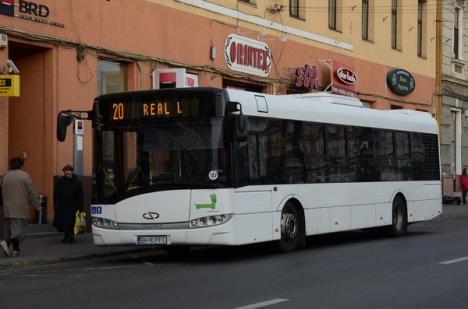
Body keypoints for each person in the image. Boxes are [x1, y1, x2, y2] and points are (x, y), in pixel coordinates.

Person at [0, 157, 40, 257]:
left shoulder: (5, 175)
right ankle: (6, 241)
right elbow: (31, 191)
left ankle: (16, 250)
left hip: (7, 208)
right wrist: (37, 204)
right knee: (19, 231)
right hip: (19, 208)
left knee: (11, 229)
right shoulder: (24, 176)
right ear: (21, 165)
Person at [53, 164, 83, 243]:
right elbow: (56, 193)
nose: (66, 172)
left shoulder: (77, 182)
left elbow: (80, 196)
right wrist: (56, 204)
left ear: (72, 172)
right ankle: (67, 235)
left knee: (71, 222)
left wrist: (80, 207)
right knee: (63, 222)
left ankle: (71, 236)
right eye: (65, 171)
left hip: (73, 206)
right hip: (62, 206)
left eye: (68, 171)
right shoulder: (61, 181)